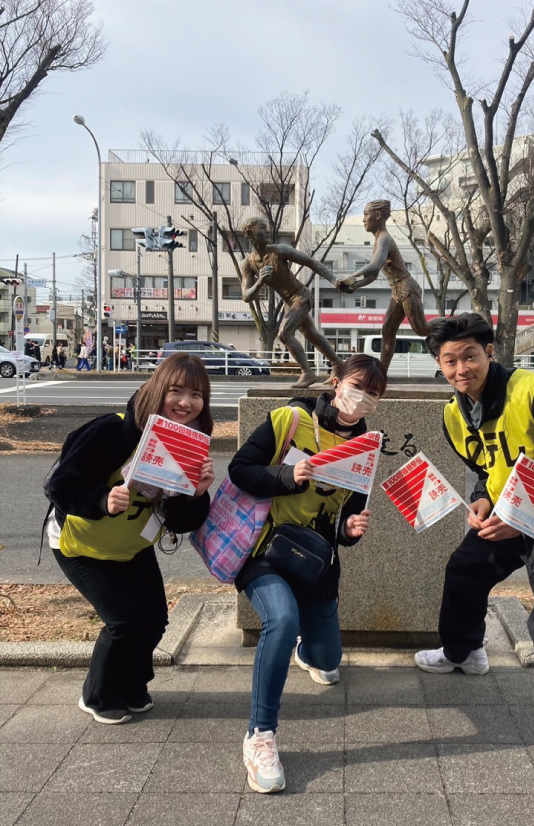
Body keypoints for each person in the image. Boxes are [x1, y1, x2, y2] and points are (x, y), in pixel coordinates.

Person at [415, 313, 534, 823]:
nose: (461, 368)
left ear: (489, 352)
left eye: (469, 356)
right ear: (439, 364)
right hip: (504, 515)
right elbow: (485, 468)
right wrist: (480, 501)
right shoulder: (454, 413)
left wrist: (523, 519)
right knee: (463, 571)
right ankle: (463, 651)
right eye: (449, 360)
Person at [228, 353, 387, 793]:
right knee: (281, 621)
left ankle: (308, 651)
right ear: (335, 383)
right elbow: (240, 469)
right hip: (266, 549)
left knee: (328, 661)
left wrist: (352, 531)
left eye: (373, 393)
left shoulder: (366, 444)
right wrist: (286, 475)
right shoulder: (291, 419)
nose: (363, 398)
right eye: (358, 386)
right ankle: (260, 736)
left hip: (316, 562)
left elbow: (348, 516)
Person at [45, 353, 216, 725]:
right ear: (158, 390)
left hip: (131, 546)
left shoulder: (191, 444)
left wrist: (198, 494)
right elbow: (59, 485)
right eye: (176, 391)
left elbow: (180, 522)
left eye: (196, 394)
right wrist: (101, 500)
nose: (186, 403)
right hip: (81, 545)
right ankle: (98, 695)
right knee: (123, 622)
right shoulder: (112, 431)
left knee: (154, 620)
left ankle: (132, 686)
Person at [240, 216, 342, 387]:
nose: (267, 231)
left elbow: (311, 262)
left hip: (301, 296)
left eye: (266, 227)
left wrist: (334, 280)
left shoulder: (279, 250)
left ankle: (307, 373)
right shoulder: (248, 264)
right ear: (250, 234)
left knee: (284, 333)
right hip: (290, 302)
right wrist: (259, 282)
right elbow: (246, 296)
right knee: (312, 335)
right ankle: (339, 364)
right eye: (262, 228)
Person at [336, 200, 431, 369]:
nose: (363, 219)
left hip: (407, 288)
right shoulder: (379, 240)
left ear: (377, 215)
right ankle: (381, 373)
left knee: (422, 328)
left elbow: (373, 266)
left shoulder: (384, 239)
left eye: (366, 214)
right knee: (387, 330)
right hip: (397, 291)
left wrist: (351, 278)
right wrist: (355, 286)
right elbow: (373, 275)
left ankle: (456, 324)